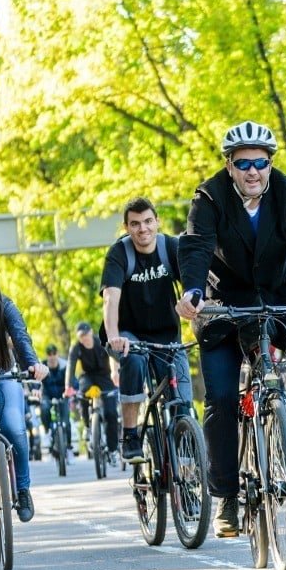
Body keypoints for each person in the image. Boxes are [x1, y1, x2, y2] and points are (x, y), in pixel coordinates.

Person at [176, 119, 286, 538]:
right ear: (229, 166)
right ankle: (226, 497)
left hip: (279, 296)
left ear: (270, 164)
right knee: (220, 395)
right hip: (223, 306)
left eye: (260, 162)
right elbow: (197, 245)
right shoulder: (209, 195)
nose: (252, 171)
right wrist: (194, 292)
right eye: (242, 164)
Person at [100, 196, 192, 463]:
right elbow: (110, 297)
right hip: (129, 334)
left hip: (167, 337)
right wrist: (114, 336)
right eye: (136, 224)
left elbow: (192, 282)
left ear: (157, 222)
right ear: (127, 227)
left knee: (183, 408)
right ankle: (130, 435)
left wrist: (195, 302)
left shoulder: (170, 248)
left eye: (148, 221)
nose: (143, 229)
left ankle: (187, 476)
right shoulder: (120, 253)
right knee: (135, 359)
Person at [0, 258, 48, 521]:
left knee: (15, 426)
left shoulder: (5, 306)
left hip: (4, 373)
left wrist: (34, 365)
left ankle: (23, 490)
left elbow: (21, 337)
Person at [65, 322, 119, 462]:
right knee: (81, 393)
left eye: (86, 335)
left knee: (111, 414)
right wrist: (68, 386)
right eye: (81, 337)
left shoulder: (101, 341)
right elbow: (70, 366)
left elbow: (115, 357)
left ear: (91, 333)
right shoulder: (76, 348)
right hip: (88, 377)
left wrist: (118, 372)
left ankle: (113, 450)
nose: (84, 339)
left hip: (105, 377)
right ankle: (88, 427)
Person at [40, 344, 74, 461]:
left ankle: (69, 449)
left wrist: (73, 390)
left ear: (57, 354)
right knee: (44, 408)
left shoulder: (65, 366)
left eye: (54, 354)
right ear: (47, 355)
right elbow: (35, 381)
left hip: (63, 395)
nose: (52, 357)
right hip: (47, 395)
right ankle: (47, 432)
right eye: (49, 354)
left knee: (66, 422)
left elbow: (73, 380)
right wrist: (34, 390)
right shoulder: (42, 366)